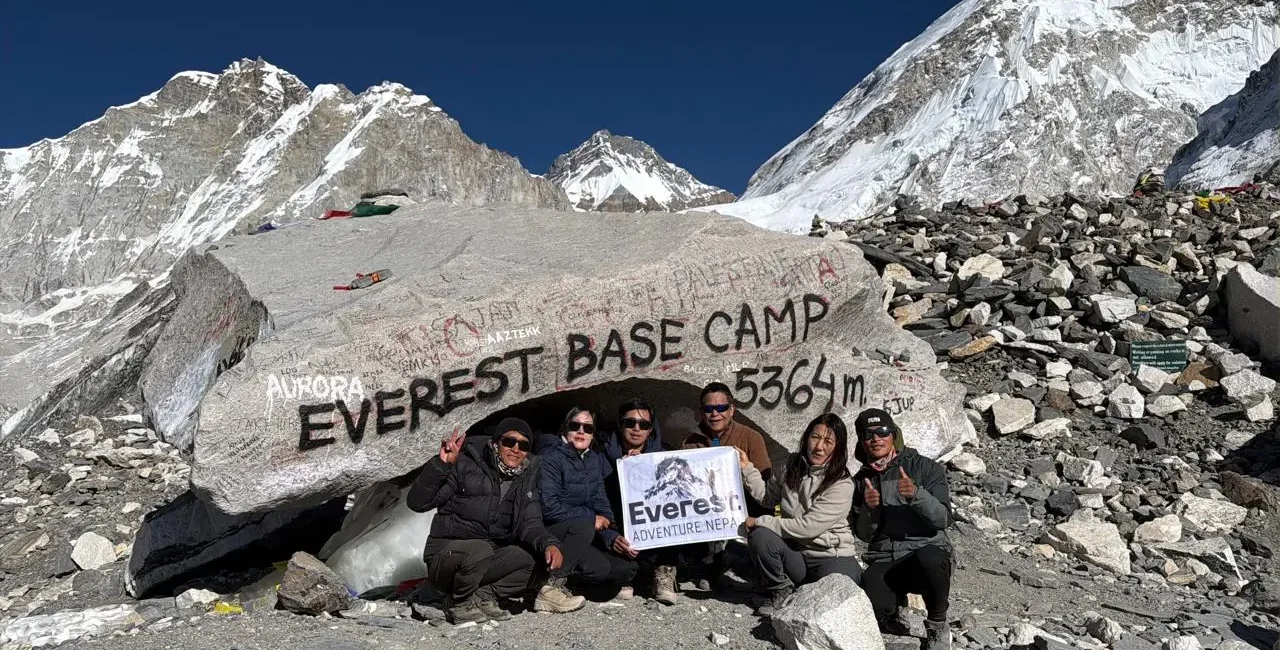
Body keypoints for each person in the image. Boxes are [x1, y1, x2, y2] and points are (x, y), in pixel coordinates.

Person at [407, 418, 578, 624]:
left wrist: (549, 544)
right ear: (496, 443)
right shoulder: (464, 465)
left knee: (535, 561)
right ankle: (458, 602)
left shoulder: (525, 479)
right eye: (509, 442)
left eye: (523, 445)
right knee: (479, 550)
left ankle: (483, 596)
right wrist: (442, 465)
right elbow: (417, 503)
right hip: (446, 557)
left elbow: (531, 523)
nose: (515, 449)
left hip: (485, 557)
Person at [737, 413, 861, 616]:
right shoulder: (791, 466)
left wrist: (761, 520)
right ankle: (780, 590)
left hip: (831, 556)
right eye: (815, 437)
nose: (819, 446)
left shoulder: (841, 482)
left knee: (833, 609)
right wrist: (746, 468)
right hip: (797, 554)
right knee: (761, 535)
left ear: (838, 447)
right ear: (806, 438)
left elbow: (808, 527)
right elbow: (767, 497)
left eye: (828, 441)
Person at [850, 408, 953, 650]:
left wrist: (917, 495)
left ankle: (937, 624)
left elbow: (942, 519)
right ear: (862, 441)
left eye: (882, 431)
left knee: (933, 558)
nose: (876, 438)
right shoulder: (861, 480)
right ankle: (894, 614)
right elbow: (865, 535)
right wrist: (869, 509)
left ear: (893, 435)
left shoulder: (926, 468)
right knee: (874, 603)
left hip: (924, 551)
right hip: (886, 557)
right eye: (868, 434)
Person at [539, 407, 638, 604]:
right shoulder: (551, 458)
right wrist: (591, 518)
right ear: (565, 430)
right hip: (556, 530)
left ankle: (569, 583)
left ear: (593, 434)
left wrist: (612, 536)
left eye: (588, 428)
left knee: (619, 569)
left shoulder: (593, 459)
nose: (581, 432)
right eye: (575, 426)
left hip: (582, 532)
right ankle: (550, 587)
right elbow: (548, 507)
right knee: (588, 537)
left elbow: (601, 502)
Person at [599, 398, 680, 604]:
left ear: (650, 429)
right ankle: (629, 576)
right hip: (620, 533)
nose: (637, 429)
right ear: (620, 425)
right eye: (630, 423)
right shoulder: (601, 457)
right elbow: (596, 502)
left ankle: (664, 572)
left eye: (643, 424)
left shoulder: (664, 458)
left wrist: (644, 470)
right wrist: (611, 537)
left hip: (656, 534)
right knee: (617, 569)